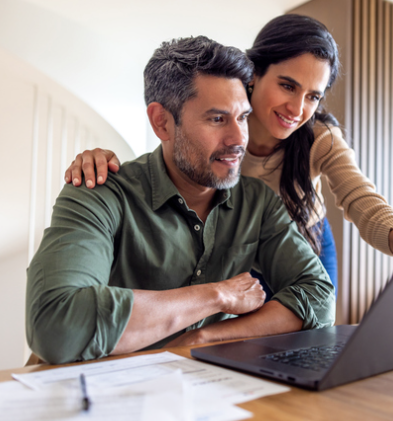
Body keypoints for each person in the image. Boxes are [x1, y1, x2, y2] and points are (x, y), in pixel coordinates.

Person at [26, 36, 334, 365]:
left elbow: (319, 298)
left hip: (203, 392)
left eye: (242, 117)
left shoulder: (258, 203)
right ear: (162, 122)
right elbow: (56, 325)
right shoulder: (98, 191)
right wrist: (217, 296)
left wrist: (203, 338)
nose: (238, 139)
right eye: (217, 119)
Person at [65, 14, 393, 298]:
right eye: (287, 86)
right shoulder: (219, 128)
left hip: (305, 238)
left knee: (311, 335)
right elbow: (176, 155)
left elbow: (361, 198)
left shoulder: (319, 138)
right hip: (239, 246)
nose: (297, 109)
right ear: (253, 75)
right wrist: (101, 159)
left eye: (313, 96)